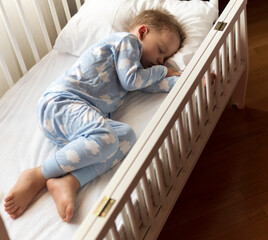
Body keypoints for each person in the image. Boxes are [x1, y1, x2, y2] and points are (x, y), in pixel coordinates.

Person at [4, 9, 185, 223]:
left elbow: (146, 84)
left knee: (126, 136)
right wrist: (165, 71)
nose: (160, 60)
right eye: (160, 50)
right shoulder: (127, 42)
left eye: (165, 58)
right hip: (62, 103)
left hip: (75, 127)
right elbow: (132, 81)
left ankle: (70, 181)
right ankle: (38, 174)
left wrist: (186, 80)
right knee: (106, 137)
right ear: (143, 32)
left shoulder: (135, 70)